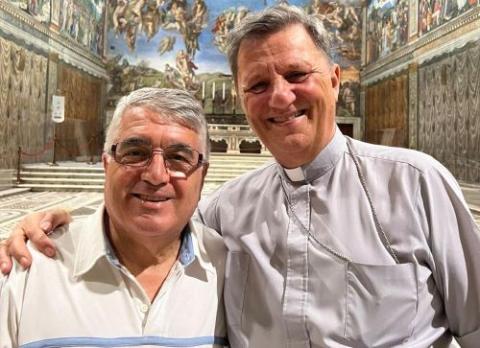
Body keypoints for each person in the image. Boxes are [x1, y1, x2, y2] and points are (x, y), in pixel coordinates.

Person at [1, 4, 480, 347]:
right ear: (241, 95)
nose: (279, 97)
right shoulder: (225, 210)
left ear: (335, 79)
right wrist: (62, 222)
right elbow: (156, 215)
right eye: (257, 85)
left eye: (296, 75)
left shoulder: (416, 184)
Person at [0, 88, 228, 347]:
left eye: (178, 158)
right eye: (135, 153)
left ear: (203, 174)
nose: (156, 175)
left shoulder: (228, 267)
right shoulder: (27, 268)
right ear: (107, 164)